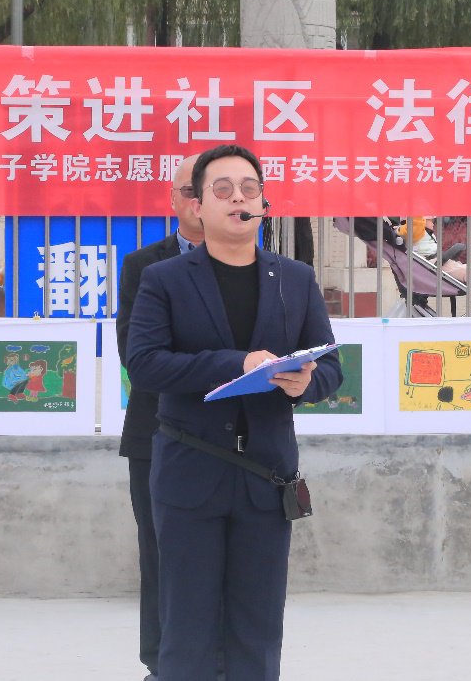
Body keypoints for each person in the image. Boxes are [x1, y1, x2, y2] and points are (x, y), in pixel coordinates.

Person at [126, 143, 342, 681]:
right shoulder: (165, 278)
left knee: (258, 626)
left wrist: (305, 383)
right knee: (187, 627)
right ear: (197, 205)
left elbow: (331, 367)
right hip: (189, 472)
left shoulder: (295, 279)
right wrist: (235, 363)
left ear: (264, 204)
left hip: (267, 475)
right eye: (222, 190)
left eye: (249, 189)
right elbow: (145, 364)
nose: (238, 199)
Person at [116, 154, 204, 681]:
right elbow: (138, 355)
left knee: (229, 558)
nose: (200, 199)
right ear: (173, 200)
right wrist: (221, 364)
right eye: (189, 190)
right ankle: (161, 662)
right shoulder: (143, 266)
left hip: (237, 438)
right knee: (160, 555)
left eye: (212, 189)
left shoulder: (263, 269)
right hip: (156, 434)